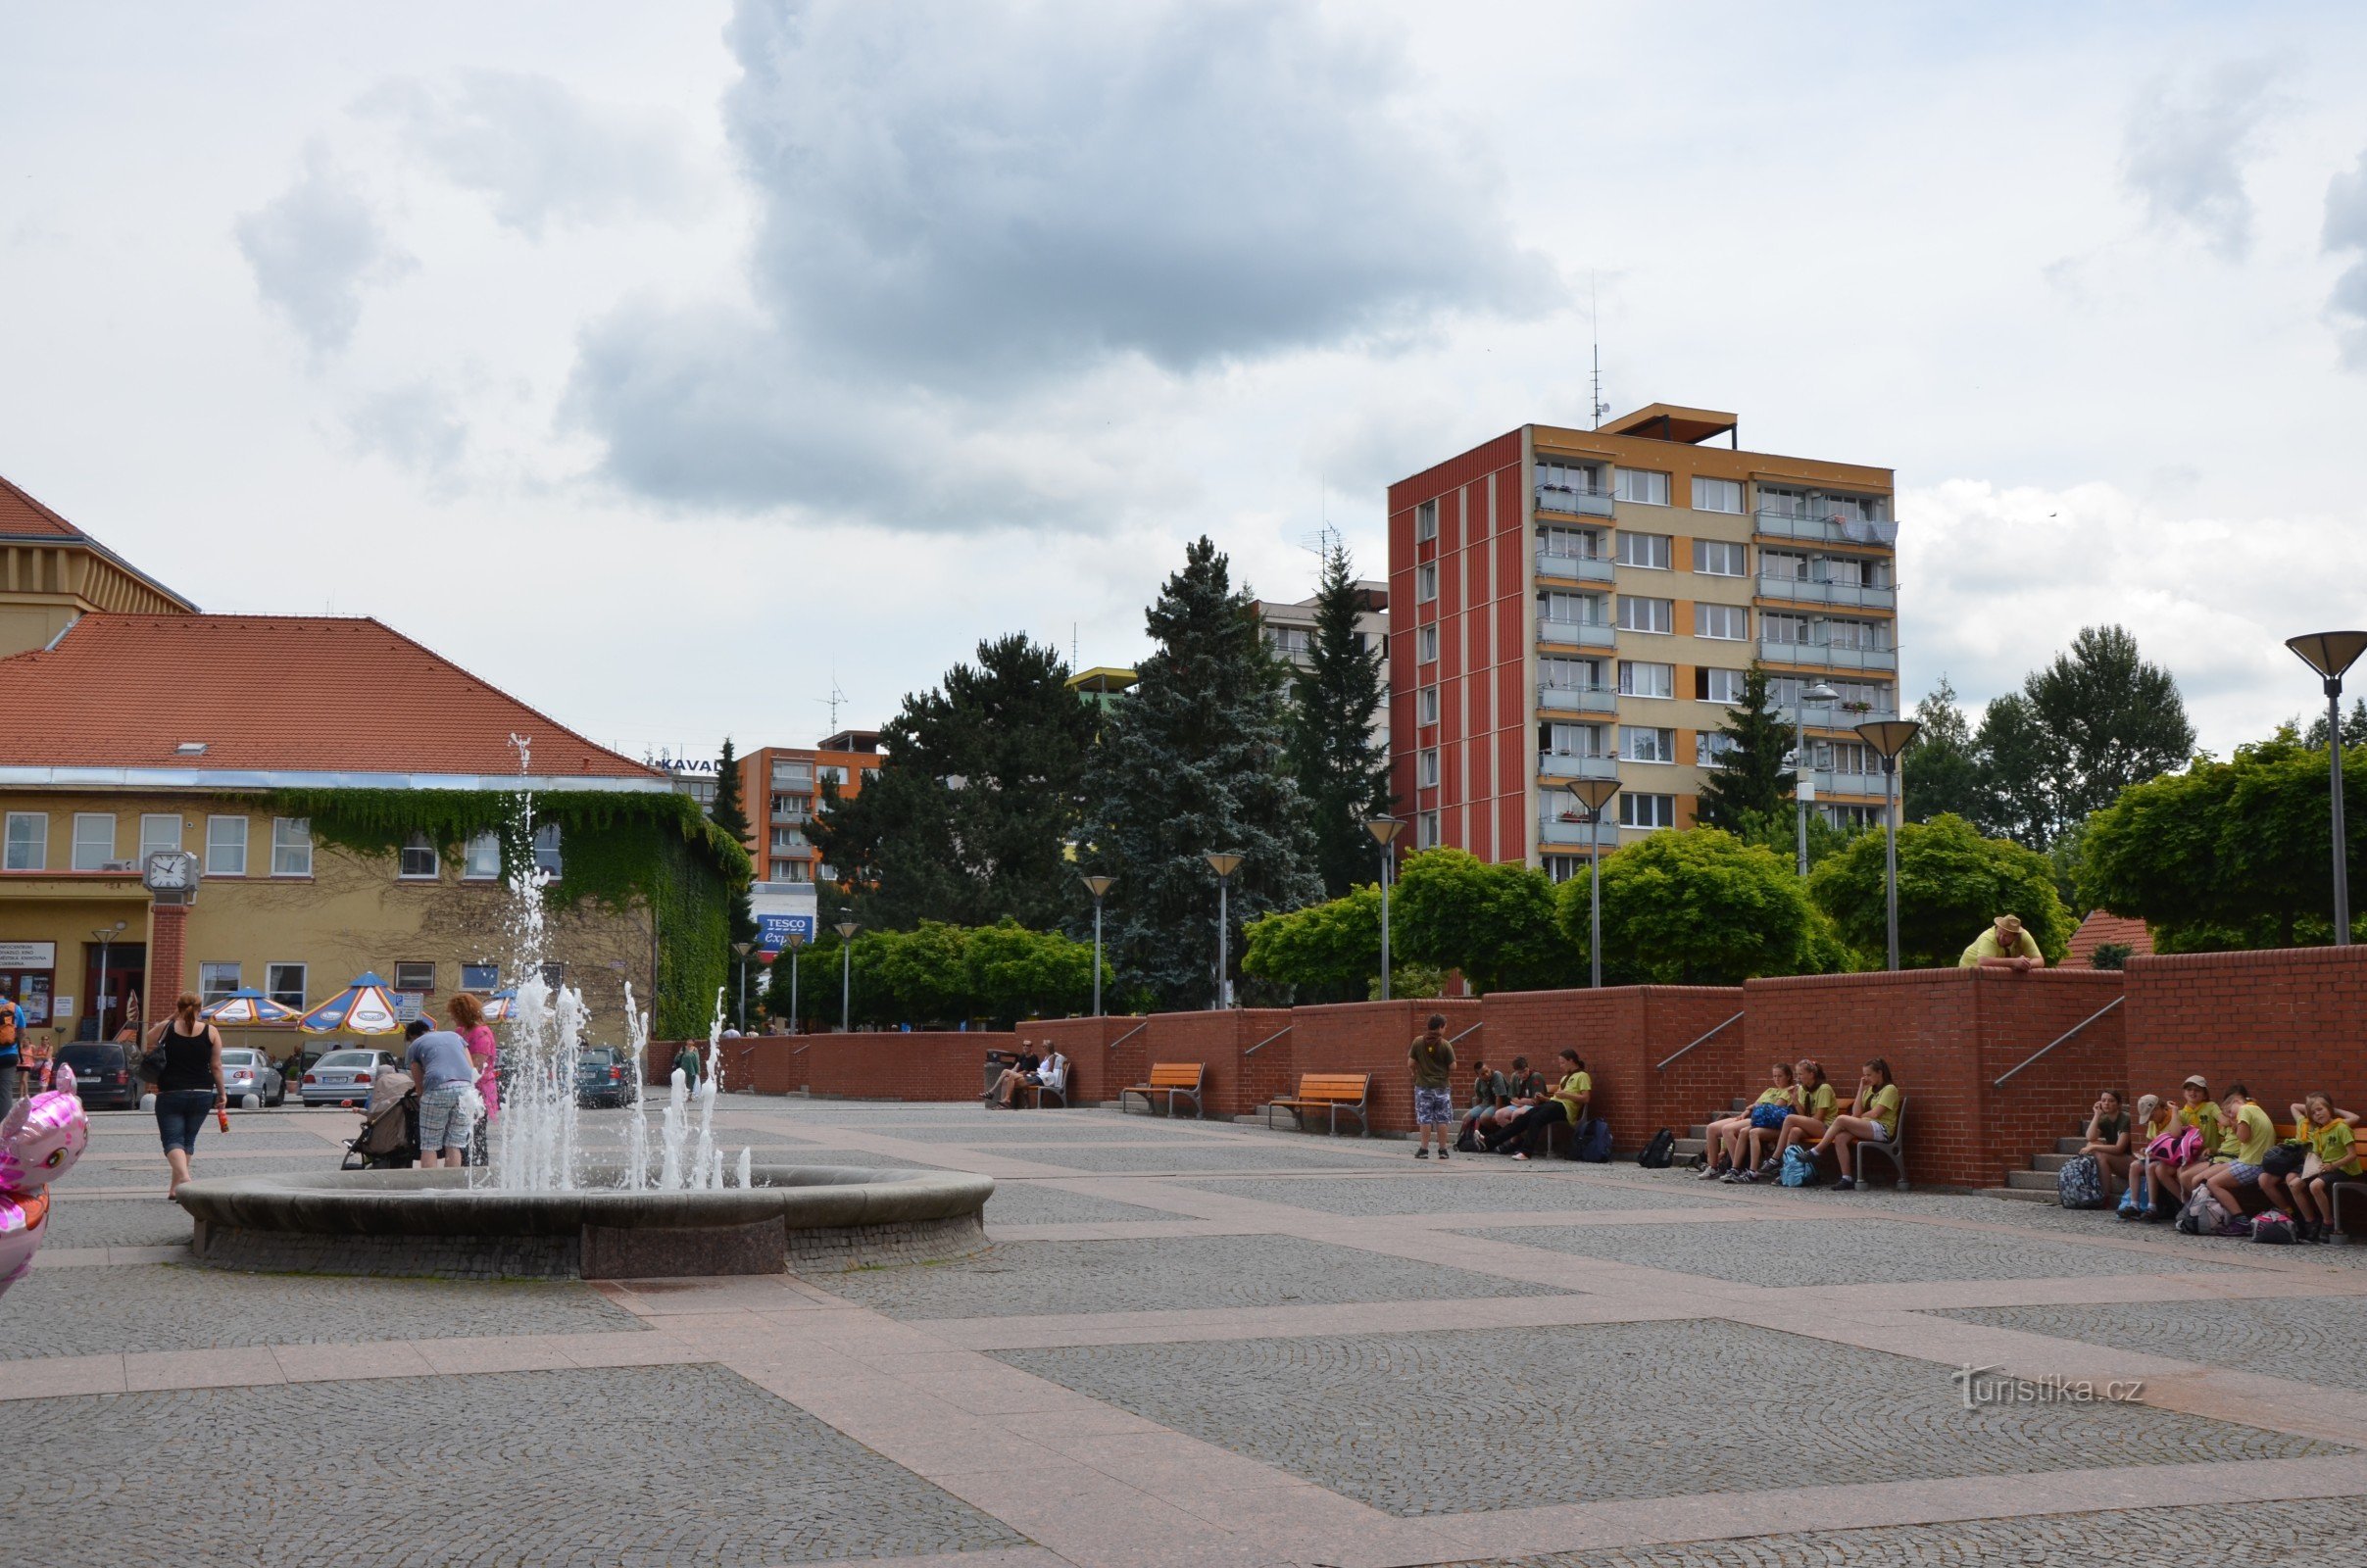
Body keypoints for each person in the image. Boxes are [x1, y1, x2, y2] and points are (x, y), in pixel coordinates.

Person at [146, 992, 223, 1198]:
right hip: (202, 1093)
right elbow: (216, 1066)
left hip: (171, 1091)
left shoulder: (168, 1028)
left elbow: (148, 1037)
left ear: (178, 1007)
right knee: (187, 1141)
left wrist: (172, 1017)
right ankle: (175, 1189)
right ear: (201, 1009)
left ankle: (186, 1180)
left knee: (172, 1141)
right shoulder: (211, 1031)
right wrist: (222, 1094)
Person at [1811, 1058, 1900, 1192]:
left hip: (1882, 1129)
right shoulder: (1869, 1090)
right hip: (1867, 1126)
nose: (1866, 1078)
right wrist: (1861, 1089)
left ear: (1880, 1073)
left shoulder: (1890, 1089)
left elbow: (1876, 1114)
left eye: (1869, 1075)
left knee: (1841, 1119)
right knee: (1841, 1138)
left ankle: (1817, 1150)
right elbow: (1856, 1112)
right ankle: (1846, 1178)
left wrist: (1858, 1117)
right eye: (1864, 1075)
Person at [405, 1018, 481, 1168]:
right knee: (454, 1143)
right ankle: (452, 1186)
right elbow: (471, 1069)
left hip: (438, 1088)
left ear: (413, 1036)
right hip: (465, 1090)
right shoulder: (455, 1037)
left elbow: (418, 1081)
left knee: (429, 1144)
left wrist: (421, 1099)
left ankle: (430, 1187)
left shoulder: (416, 1045)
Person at [1701, 1061, 1796, 1182]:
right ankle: (1713, 1167)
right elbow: (1755, 1105)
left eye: (1780, 1076)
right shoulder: (1770, 1090)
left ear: (1788, 1076)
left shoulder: (1789, 1090)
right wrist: (1745, 1113)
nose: (1776, 1079)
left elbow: (1773, 1109)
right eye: (1774, 1076)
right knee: (1711, 1128)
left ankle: (1737, 1168)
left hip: (1764, 1120)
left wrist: (1754, 1109)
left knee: (1727, 1129)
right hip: (1754, 1115)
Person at [2294, 1093, 2365, 1244]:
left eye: (2320, 1109)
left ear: (2329, 1109)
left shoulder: (2341, 1127)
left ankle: (2327, 1222)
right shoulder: (2319, 1132)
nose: (2317, 1114)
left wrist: (2332, 1166)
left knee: (2315, 1185)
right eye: (2313, 1113)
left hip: (2344, 1169)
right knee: (2295, 1184)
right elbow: (2317, 1155)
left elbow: (2352, 1155)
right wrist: (2308, 1171)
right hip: (2326, 1167)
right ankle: (2310, 1223)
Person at [2198, 1086, 2276, 1217]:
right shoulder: (2254, 1109)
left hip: (2253, 1163)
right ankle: (2217, 1215)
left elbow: (2242, 1138)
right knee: (2208, 1179)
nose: (2230, 1115)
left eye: (2230, 1111)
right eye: (2227, 1114)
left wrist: (2235, 1123)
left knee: (2213, 1183)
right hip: (2248, 1160)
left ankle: (2239, 1219)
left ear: (2238, 1102)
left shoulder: (2244, 1110)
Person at [1501, 1050, 1589, 1161]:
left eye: (1562, 1063)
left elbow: (1586, 1098)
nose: (1560, 1066)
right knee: (1529, 1115)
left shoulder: (1582, 1076)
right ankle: (1496, 1141)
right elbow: (1556, 1099)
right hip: (1554, 1104)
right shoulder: (1564, 1078)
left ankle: (1525, 1150)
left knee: (1535, 1117)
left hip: (1566, 1109)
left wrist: (1566, 1095)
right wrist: (1544, 1098)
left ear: (1571, 1061)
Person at [1766, 1059, 1840, 1178]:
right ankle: (1788, 1169)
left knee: (1790, 1118)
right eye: (1797, 1074)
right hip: (1812, 1126)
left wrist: (1803, 1122)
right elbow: (1802, 1115)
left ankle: (1775, 1158)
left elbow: (1819, 1118)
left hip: (1827, 1128)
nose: (1798, 1077)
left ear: (1811, 1074)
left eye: (1800, 1074)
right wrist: (1794, 1099)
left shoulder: (1824, 1088)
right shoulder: (1803, 1090)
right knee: (1794, 1131)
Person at [1407, 1013, 1456, 1160]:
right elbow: (1453, 1066)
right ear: (1440, 1027)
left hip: (1423, 1087)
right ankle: (1443, 1150)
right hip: (1442, 1087)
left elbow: (1410, 1063)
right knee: (1442, 1119)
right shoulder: (1445, 1044)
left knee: (1425, 1118)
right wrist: (1445, 1073)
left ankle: (1424, 1149)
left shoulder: (1418, 1042)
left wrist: (1414, 1072)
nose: (1445, 1030)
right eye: (1445, 1027)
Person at [449, 992, 499, 1136]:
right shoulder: (460, 1031)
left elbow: (475, 1069)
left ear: (464, 1013)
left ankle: (477, 1159)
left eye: (454, 1014)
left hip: (478, 1091)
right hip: (462, 1088)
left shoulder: (481, 1033)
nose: (452, 1018)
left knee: (475, 1136)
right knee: (460, 1136)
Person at [2117, 1094, 2170, 1215]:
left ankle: (2152, 1207)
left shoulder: (2172, 1119)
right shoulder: (2152, 1123)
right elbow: (2153, 1143)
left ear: (2158, 1108)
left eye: (2152, 1115)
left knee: (2150, 1167)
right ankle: (2134, 1205)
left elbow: (2173, 1145)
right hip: (2156, 1157)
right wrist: (2146, 1149)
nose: (2151, 1119)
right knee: (2134, 1166)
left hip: (2168, 1159)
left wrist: (2154, 1152)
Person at [2077, 1090, 2131, 1196]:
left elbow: (2119, 1148)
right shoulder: (2105, 1119)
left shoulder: (2126, 1118)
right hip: (2118, 1160)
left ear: (2119, 1104)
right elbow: (2090, 1137)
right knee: (2091, 1144)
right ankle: (2103, 1192)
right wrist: (2097, 1115)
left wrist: (2093, 1147)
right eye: (2103, 1100)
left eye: (2111, 1101)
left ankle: (2105, 1195)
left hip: (2131, 1161)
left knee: (2098, 1152)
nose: (2106, 1103)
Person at [1958, 912, 2044, 971]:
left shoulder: (2023, 936)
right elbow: (1983, 961)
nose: (2001, 937)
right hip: (1968, 970)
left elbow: (2040, 961)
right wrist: (2014, 962)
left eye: (2006, 936)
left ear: (2015, 935)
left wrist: (2025, 964)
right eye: (1999, 932)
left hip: (1989, 973)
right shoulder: (1988, 937)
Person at [0, 982, 21, 1119]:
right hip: (9, 1054)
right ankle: (4, 1128)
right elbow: (22, 1032)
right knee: (5, 1092)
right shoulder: (15, 1008)